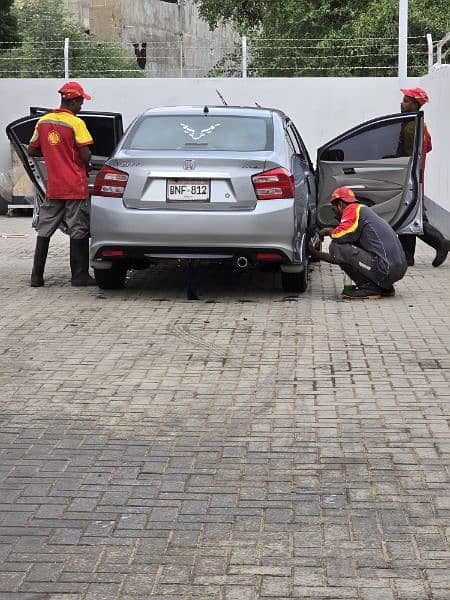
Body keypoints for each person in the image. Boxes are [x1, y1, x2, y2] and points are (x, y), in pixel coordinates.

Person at [28, 81, 96, 287]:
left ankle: (36, 277)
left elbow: (32, 150)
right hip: (75, 185)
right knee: (78, 229)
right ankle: (79, 276)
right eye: (81, 102)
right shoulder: (76, 123)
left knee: (44, 229)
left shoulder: (43, 121)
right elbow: (85, 154)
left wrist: (52, 154)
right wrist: (88, 163)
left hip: (54, 186)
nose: (82, 106)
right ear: (73, 101)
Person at [308, 187, 407, 300]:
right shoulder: (363, 211)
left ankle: (369, 288)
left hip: (386, 268)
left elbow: (339, 236)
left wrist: (326, 231)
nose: (335, 216)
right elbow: (339, 259)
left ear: (340, 204)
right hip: (397, 268)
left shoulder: (352, 209)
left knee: (336, 246)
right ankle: (385, 287)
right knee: (343, 249)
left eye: (334, 210)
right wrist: (316, 253)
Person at [396, 87, 449, 268]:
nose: (402, 103)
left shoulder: (410, 127)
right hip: (417, 179)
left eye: (406, 100)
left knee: (411, 216)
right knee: (410, 215)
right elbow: (429, 147)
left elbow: (407, 156)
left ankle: (440, 242)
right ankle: (407, 256)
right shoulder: (420, 125)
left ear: (414, 105)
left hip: (409, 179)